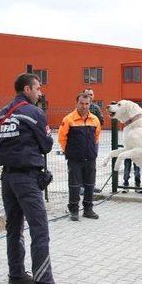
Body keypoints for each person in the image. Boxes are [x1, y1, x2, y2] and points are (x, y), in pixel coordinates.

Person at [0, 73, 67, 284]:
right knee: (39, 229)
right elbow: (47, 144)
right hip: (27, 179)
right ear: (27, 89)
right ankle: (43, 282)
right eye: (38, 89)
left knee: (14, 228)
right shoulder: (34, 112)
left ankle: (16, 274)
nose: (40, 93)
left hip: (7, 179)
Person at [58, 93, 101, 221]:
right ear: (76, 103)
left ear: (90, 104)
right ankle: (74, 211)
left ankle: (88, 210)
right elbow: (61, 138)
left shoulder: (95, 119)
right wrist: (70, 152)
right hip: (74, 160)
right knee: (74, 186)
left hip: (90, 159)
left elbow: (97, 137)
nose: (84, 106)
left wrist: (92, 152)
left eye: (86, 104)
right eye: (81, 103)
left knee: (90, 185)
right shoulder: (68, 119)